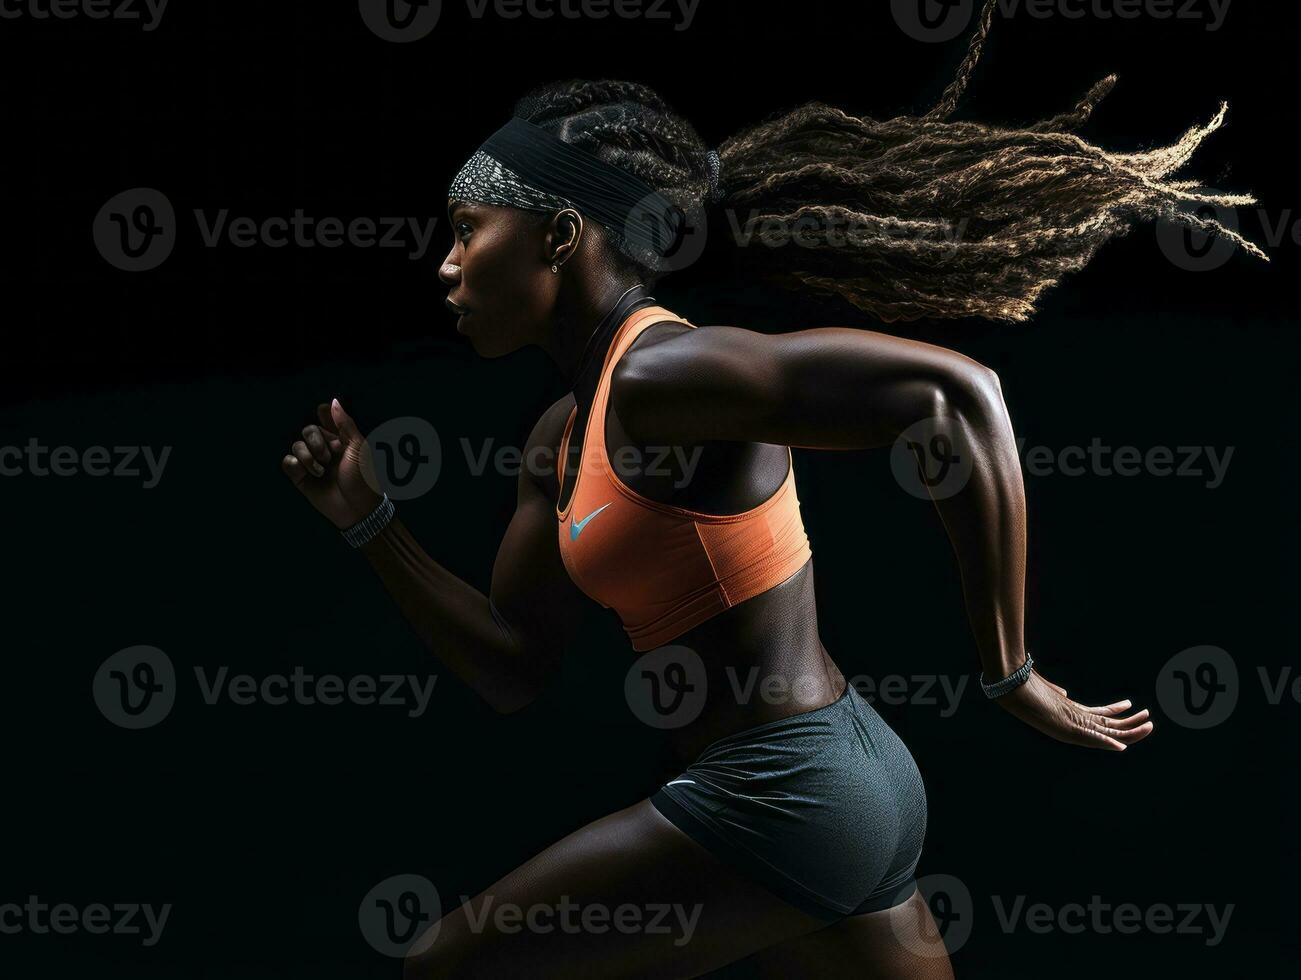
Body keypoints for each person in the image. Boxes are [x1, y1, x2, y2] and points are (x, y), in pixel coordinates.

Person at [281, 3, 1260, 974]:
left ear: (556, 236)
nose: (445, 266)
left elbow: (956, 395)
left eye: (466, 230)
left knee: (442, 968)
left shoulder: (664, 376)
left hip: (784, 794)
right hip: (834, 793)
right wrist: (372, 522)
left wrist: (1008, 669)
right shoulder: (559, 439)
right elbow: (512, 664)